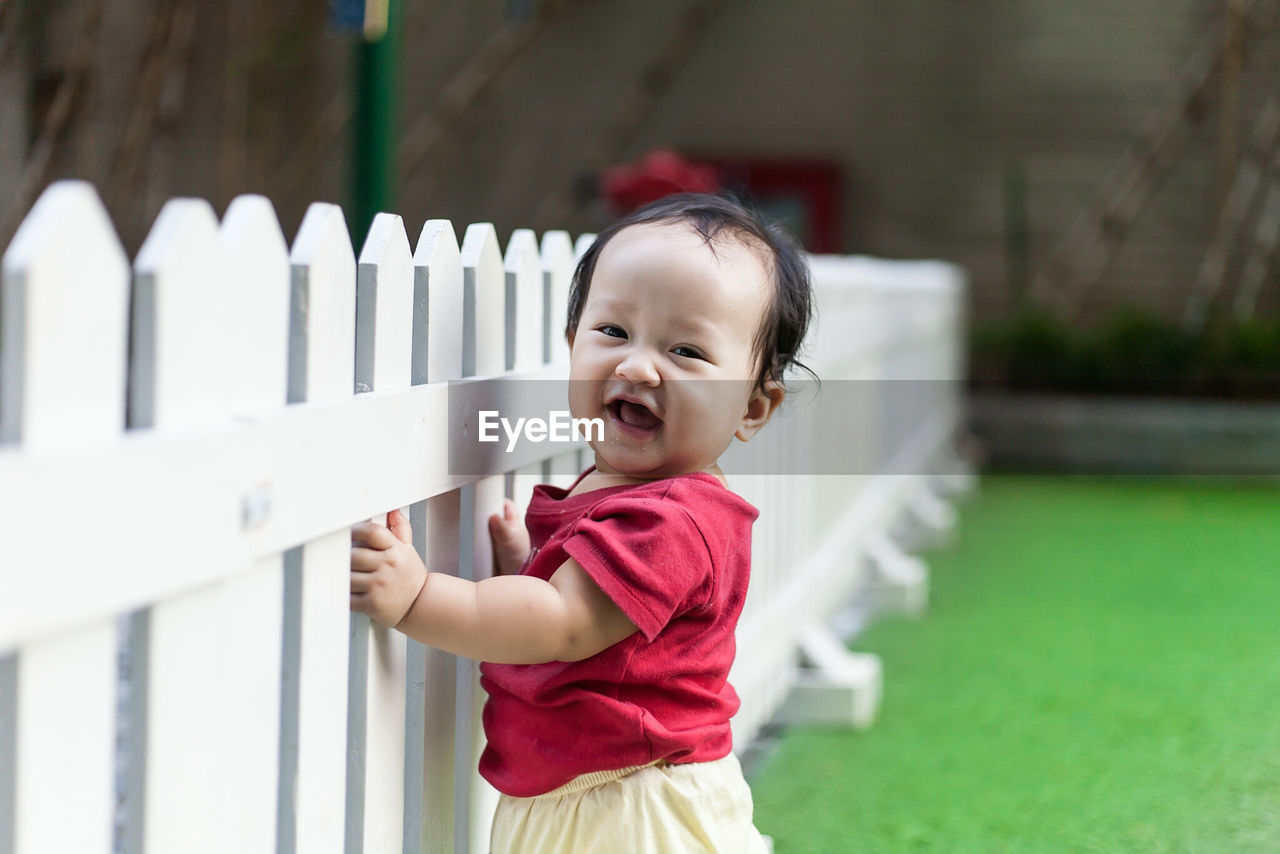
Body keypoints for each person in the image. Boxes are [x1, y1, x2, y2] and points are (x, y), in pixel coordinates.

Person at [350, 193, 813, 853]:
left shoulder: (674, 519)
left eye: (686, 351)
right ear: (573, 344)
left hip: (631, 806)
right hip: (588, 793)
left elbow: (563, 624)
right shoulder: (627, 487)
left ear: (752, 407)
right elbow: (587, 623)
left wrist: (418, 596)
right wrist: (532, 569)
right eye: (614, 333)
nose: (637, 364)